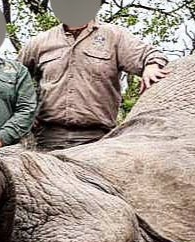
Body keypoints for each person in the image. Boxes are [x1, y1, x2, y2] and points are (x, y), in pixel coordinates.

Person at [19, 19, 170, 151]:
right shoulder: (40, 41)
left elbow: (151, 55)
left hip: (97, 140)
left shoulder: (114, 36)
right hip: (47, 138)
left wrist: (151, 66)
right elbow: (13, 78)